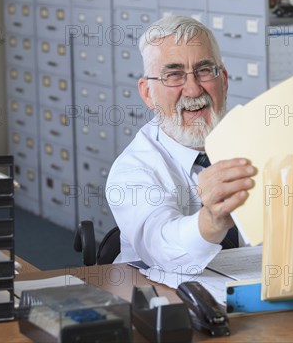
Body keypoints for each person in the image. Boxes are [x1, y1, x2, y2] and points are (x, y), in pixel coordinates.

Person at [106, 16, 257, 273]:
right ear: (147, 93)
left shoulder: (257, 139)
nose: (193, 90)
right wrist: (212, 220)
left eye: (205, 71)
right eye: (173, 75)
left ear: (224, 81)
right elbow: (160, 246)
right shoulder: (134, 169)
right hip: (167, 302)